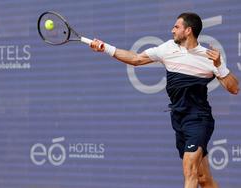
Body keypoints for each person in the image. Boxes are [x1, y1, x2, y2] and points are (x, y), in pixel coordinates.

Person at [90, 12, 239, 188]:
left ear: (188, 30)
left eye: (176, 27)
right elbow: (136, 59)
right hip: (178, 118)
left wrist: (219, 66)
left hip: (198, 119)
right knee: (204, 179)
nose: (172, 30)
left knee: (189, 170)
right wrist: (105, 47)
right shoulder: (167, 49)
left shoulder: (208, 57)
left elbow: (234, 88)